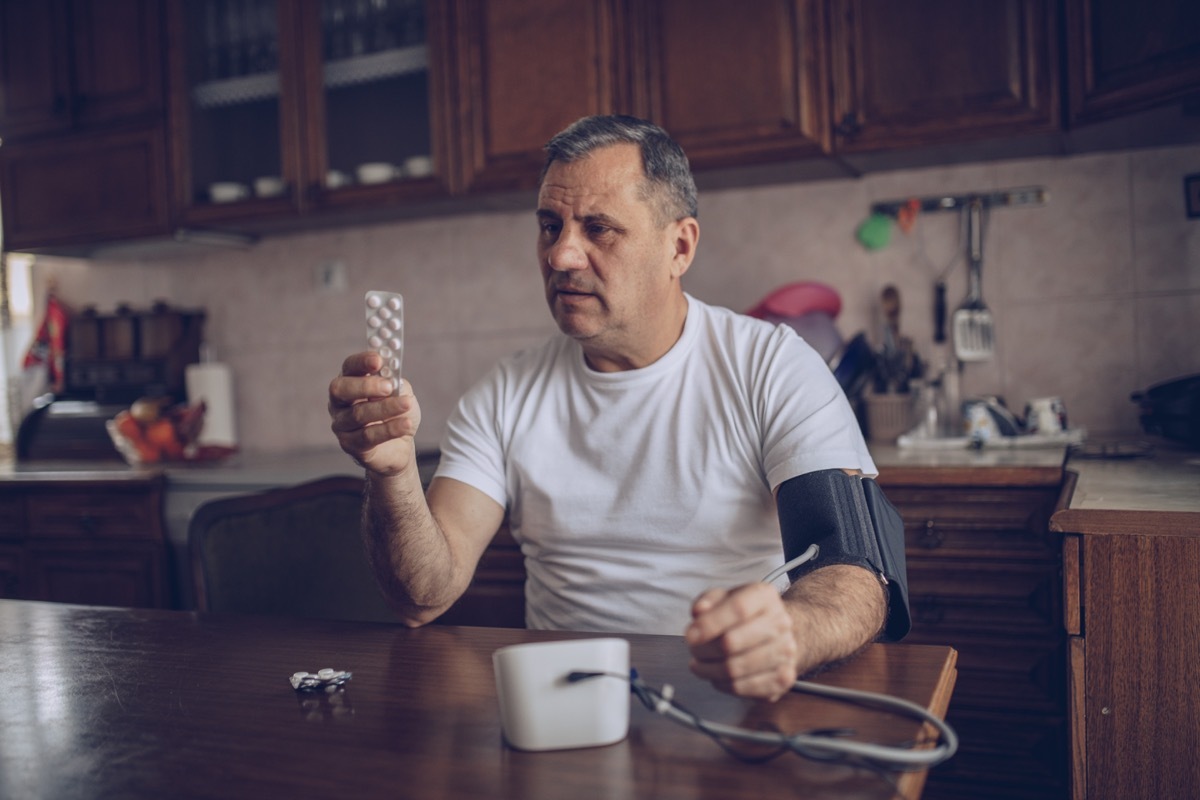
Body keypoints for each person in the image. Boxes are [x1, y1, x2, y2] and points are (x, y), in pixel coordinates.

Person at [328, 115, 909, 702]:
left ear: (679, 246)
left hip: (734, 707)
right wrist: (393, 473)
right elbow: (421, 597)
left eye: (598, 229)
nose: (561, 256)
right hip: (564, 714)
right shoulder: (505, 394)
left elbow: (856, 571)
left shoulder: (774, 367)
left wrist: (792, 631)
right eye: (550, 226)